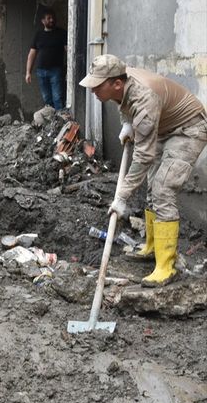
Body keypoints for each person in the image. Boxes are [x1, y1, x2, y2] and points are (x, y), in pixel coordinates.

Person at [80, 54, 207, 287]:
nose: (92, 91)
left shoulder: (145, 99)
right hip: (163, 127)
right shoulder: (122, 79)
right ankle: (151, 247)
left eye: (97, 86)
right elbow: (125, 103)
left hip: (188, 129)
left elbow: (143, 156)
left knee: (163, 188)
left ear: (116, 83)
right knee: (151, 184)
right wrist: (128, 122)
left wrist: (121, 196)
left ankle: (166, 266)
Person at [25, 9, 67, 110]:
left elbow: (68, 51)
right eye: (49, 18)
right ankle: (52, 122)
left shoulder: (61, 33)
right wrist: (28, 72)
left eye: (53, 18)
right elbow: (32, 54)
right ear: (43, 21)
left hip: (56, 71)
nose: (52, 20)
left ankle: (61, 121)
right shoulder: (38, 35)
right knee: (47, 98)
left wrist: (70, 70)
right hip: (41, 72)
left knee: (57, 97)